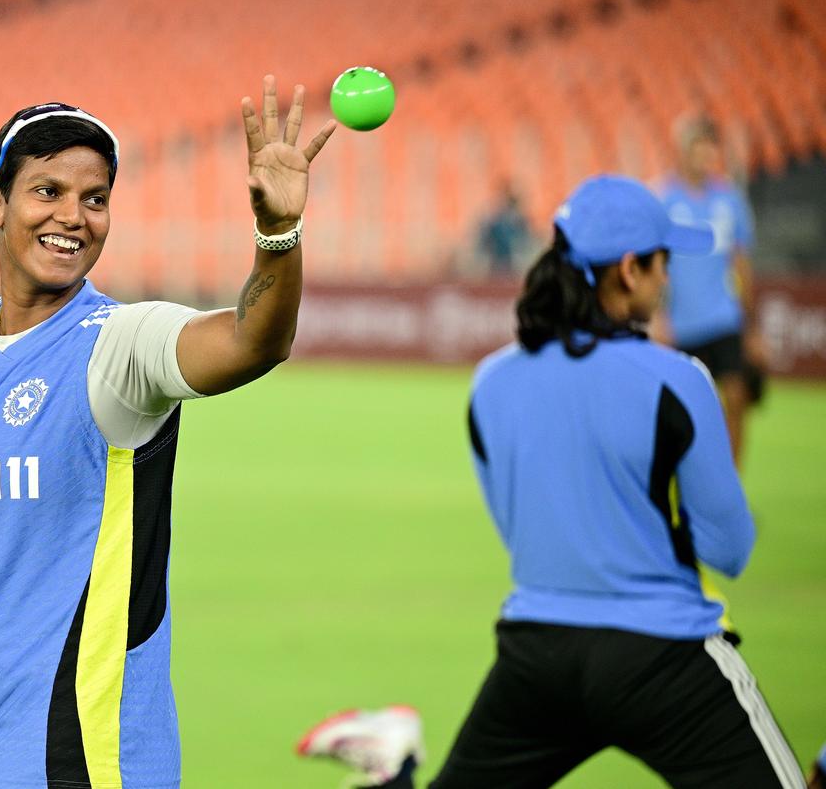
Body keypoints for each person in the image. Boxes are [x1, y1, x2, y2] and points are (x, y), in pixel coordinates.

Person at [0, 76, 335, 788]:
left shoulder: (118, 346)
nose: (74, 216)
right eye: (49, 192)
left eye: (95, 198)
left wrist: (277, 233)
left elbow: (251, 340)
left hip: (91, 763)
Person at [298, 175, 805, 789]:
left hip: (538, 656)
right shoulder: (681, 380)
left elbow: (519, 526)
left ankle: (392, 769)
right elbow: (731, 549)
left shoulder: (491, 381)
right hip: (663, 655)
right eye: (662, 262)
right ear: (628, 269)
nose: (668, 278)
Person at [658, 116, 767, 464]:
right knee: (683, 414)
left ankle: (730, 493)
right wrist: (658, 316)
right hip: (682, 325)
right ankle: (688, 491)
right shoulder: (665, 201)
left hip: (723, 319)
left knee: (735, 401)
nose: (706, 155)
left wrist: (751, 327)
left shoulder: (729, 200)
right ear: (683, 150)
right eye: (698, 146)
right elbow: (656, 266)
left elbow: (741, 264)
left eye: (710, 147)